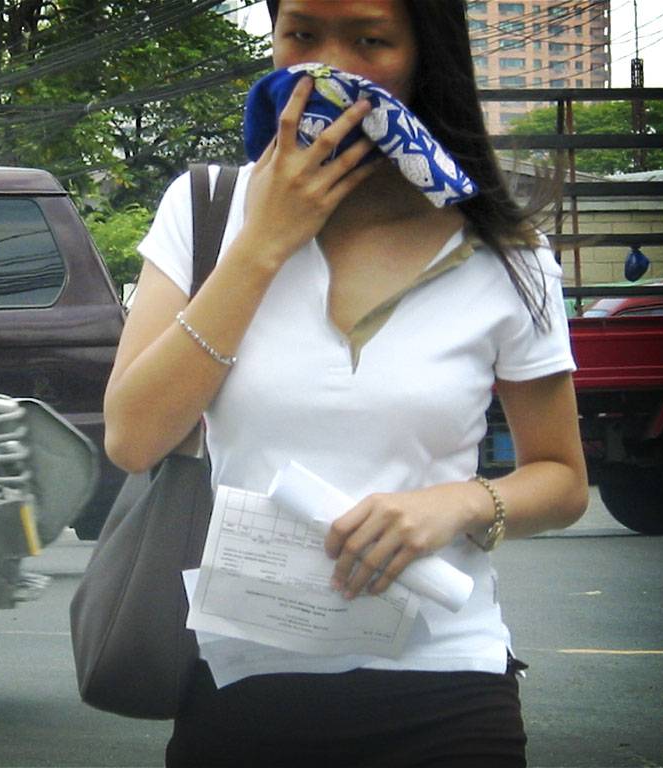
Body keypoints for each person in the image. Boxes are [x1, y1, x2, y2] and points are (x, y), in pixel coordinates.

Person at [103, 1, 589, 766]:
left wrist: (458, 502)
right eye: (300, 36)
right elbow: (133, 437)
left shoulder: (502, 249)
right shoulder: (203, 210)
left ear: (423, 55)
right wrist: (262, 243)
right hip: (242, 689)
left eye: (369, 40)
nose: (326, 69)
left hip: (447, 688)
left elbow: (562, 480)